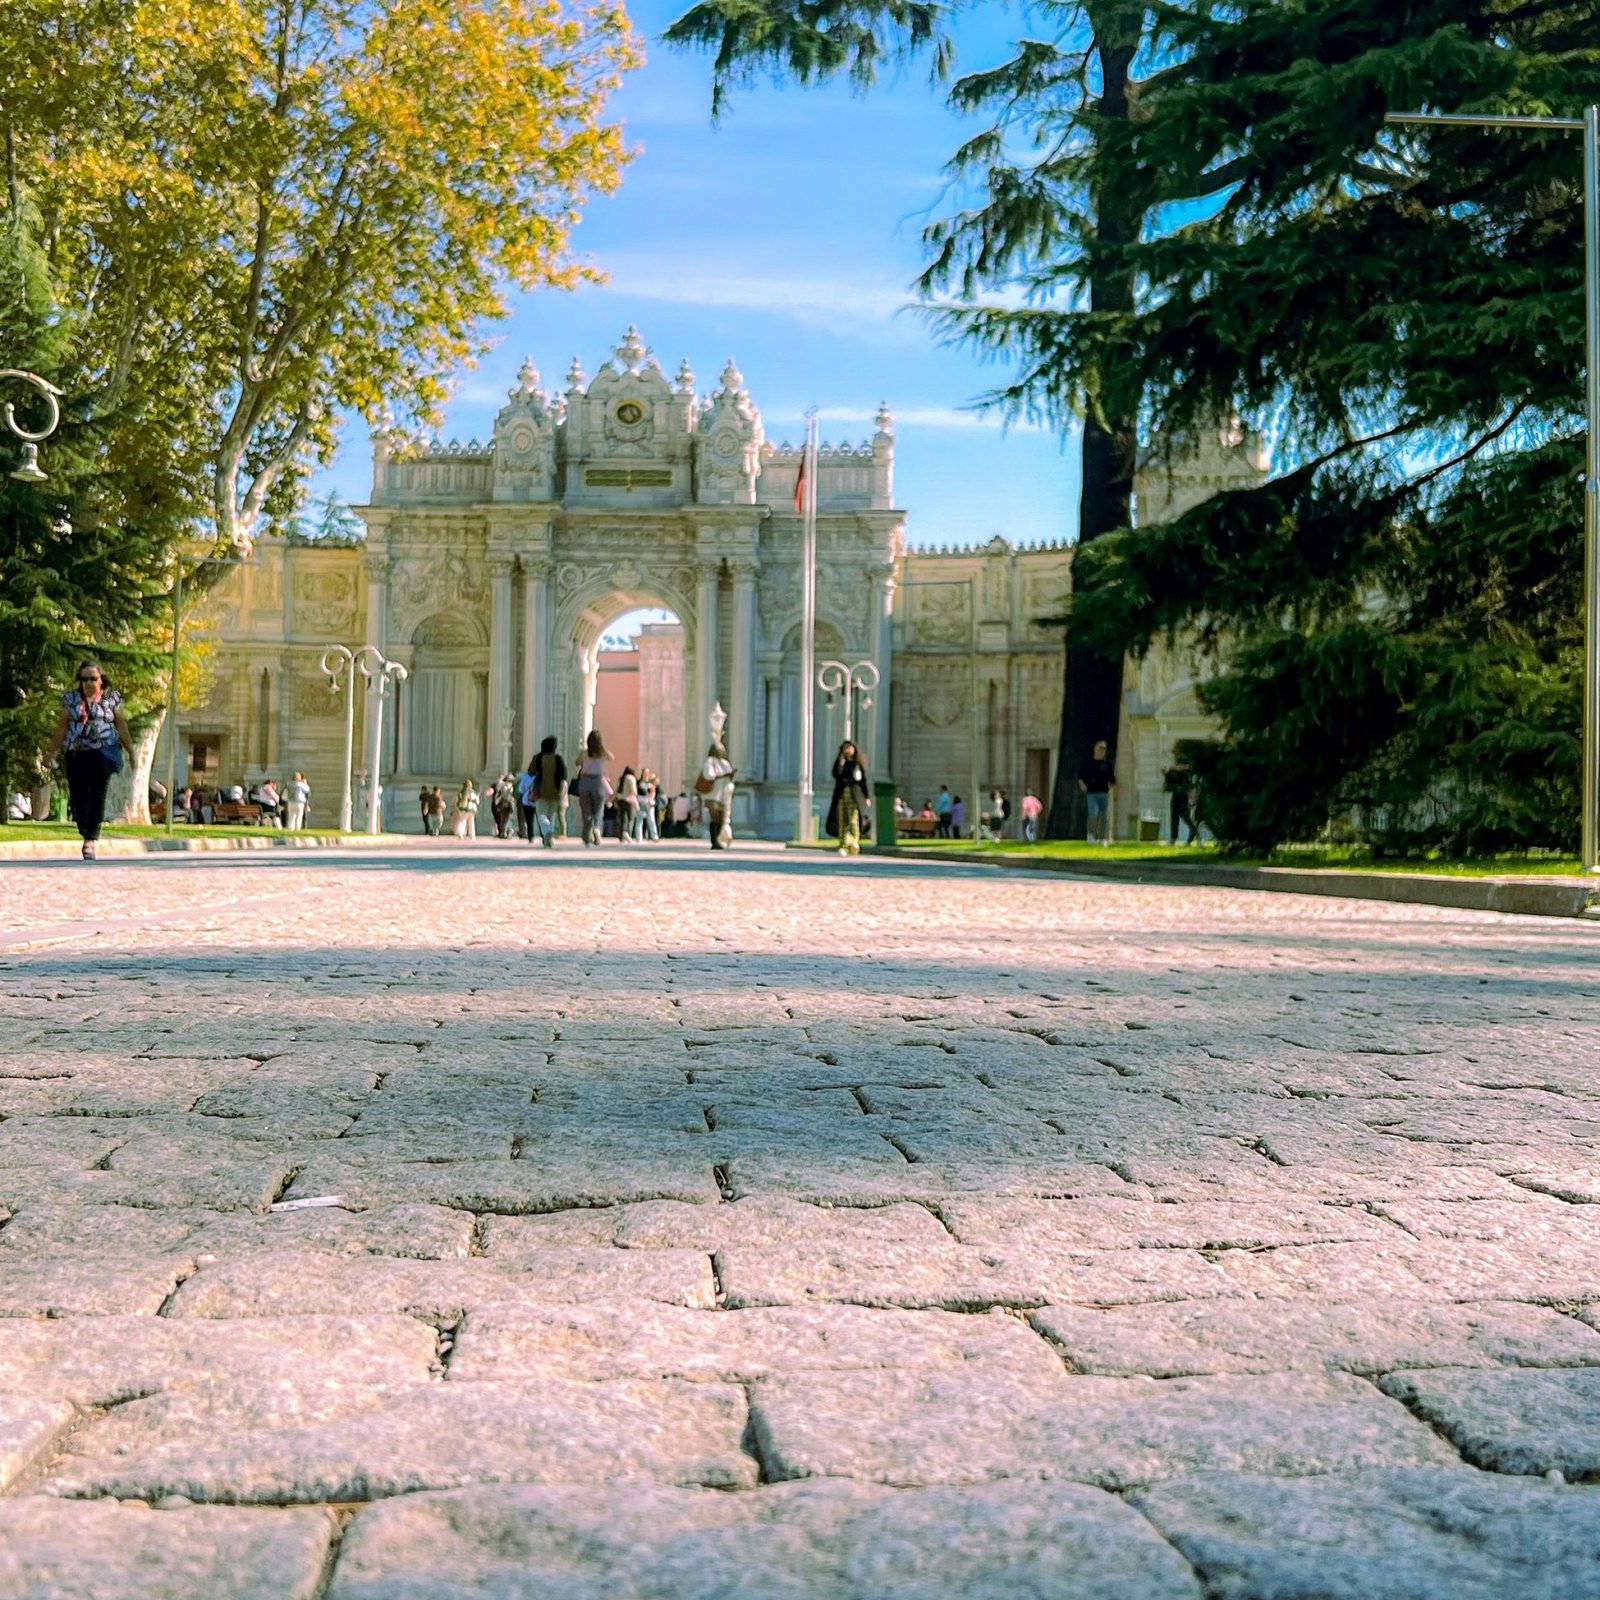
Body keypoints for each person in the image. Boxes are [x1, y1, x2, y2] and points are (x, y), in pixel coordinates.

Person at [41, 659, 135, 861]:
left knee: (97, 796)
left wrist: (131, 752)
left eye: (93, 678)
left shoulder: (111, 700)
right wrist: (52, 752)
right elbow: (61, 727)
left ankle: (90, 839)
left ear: (101, 680)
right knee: (77, 796)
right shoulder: (71, 700)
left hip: (102, 753)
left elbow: (121, 726)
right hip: (77, 753)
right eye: (84, 679)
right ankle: (84, 828)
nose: (89, 683)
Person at [826, 739, 869, 857]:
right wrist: (841, 760)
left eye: (850, 748)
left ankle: (854, 842)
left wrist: (866, 796)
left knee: (853, 820)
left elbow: (862, 781)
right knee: (842, 820)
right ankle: (843, 844)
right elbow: (836, 774)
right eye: (845, 748)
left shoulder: (857, 765)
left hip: (854, 796)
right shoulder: (841, 763)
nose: (848, 750)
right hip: (841, 796)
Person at [577, 729, 611, 846]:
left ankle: (586, 836)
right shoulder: (602, 754)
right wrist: (601, 747)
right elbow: (611, 757)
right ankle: (596, 828)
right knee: (598, 809)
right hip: (597, 782)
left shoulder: (584, 753)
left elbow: (576, 762)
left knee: (586, 811)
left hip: (585, 781)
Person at [1078, 738, 1116, 844]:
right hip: (1092, 793)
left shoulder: (1107, 764)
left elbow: (1112, 779)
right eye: (1100, 748)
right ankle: (1091, 836)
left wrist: (1113, 788)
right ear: (1095, 749)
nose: (1102, 751)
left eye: (1104, 749)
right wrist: (1082, 785)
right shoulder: (1088, 763)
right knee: (1093, 814)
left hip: (1104, 792)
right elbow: (1081, 776)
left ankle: (1102, 837)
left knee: (1103, 815)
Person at [532, 737, 566, 848]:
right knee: (552, 815)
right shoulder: (558, 759)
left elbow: (530, 771)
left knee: (541, 815)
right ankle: (548, 836)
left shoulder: (538, 758)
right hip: (555, 792)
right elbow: (563, 776)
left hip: (540, 791)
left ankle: (547, 833)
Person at [700, 740, 735, 849]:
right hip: (713, 794)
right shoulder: (710, 761)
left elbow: (729, 774)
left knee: (721, 818)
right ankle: (714, 841)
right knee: (714, 817)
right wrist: (723, 775)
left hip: (723, 795)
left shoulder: (724, 763)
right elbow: (708, 775)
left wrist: (730, 775)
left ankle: (719, 839)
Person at [1165, 763, 1201, 845]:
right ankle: (1174, 838)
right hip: (1177, 795)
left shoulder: (1185, 773)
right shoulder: (1175, 772)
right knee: (1176, 817)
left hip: (1182, 796)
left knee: (1183, 816)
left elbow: (1188, 784)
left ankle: (1194, 833)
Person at [615, 766, 639, 843]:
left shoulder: (621, 778)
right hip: (629, 800)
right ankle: (627, 833)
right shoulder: (631, 778)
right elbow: (633, 790)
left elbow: (617, 790)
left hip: (620, 799)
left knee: (622, 819)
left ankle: (621, 836)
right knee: (630, 818)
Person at [635, 768, 659, 841]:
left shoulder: (650, 783)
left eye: (648, 773)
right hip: (641, 802)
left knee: (651, 819)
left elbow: (653, 792)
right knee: (639, 820)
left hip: (649, 802)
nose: (646, 774)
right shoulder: (638, 782)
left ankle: (654, 836)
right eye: (645, 773)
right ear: (642, 773)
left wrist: (650, 798)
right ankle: (639, 837)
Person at [490, 774, 516, 839]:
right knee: (505, 819)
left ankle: (505, 833)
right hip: (508, 804)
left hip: (505, 804)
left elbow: (504, 795)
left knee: (505, 820)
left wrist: (500, 797)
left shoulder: (505, 786)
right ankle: (504, 833)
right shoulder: (511, 786)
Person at [516, 763, 537, 841]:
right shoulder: (538, 777)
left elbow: (521, 789)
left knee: (529, 819)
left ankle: (530, 836)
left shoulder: (525, 777)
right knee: (539, 818)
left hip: (526, 800)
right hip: (536, 800)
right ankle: (543, 835)